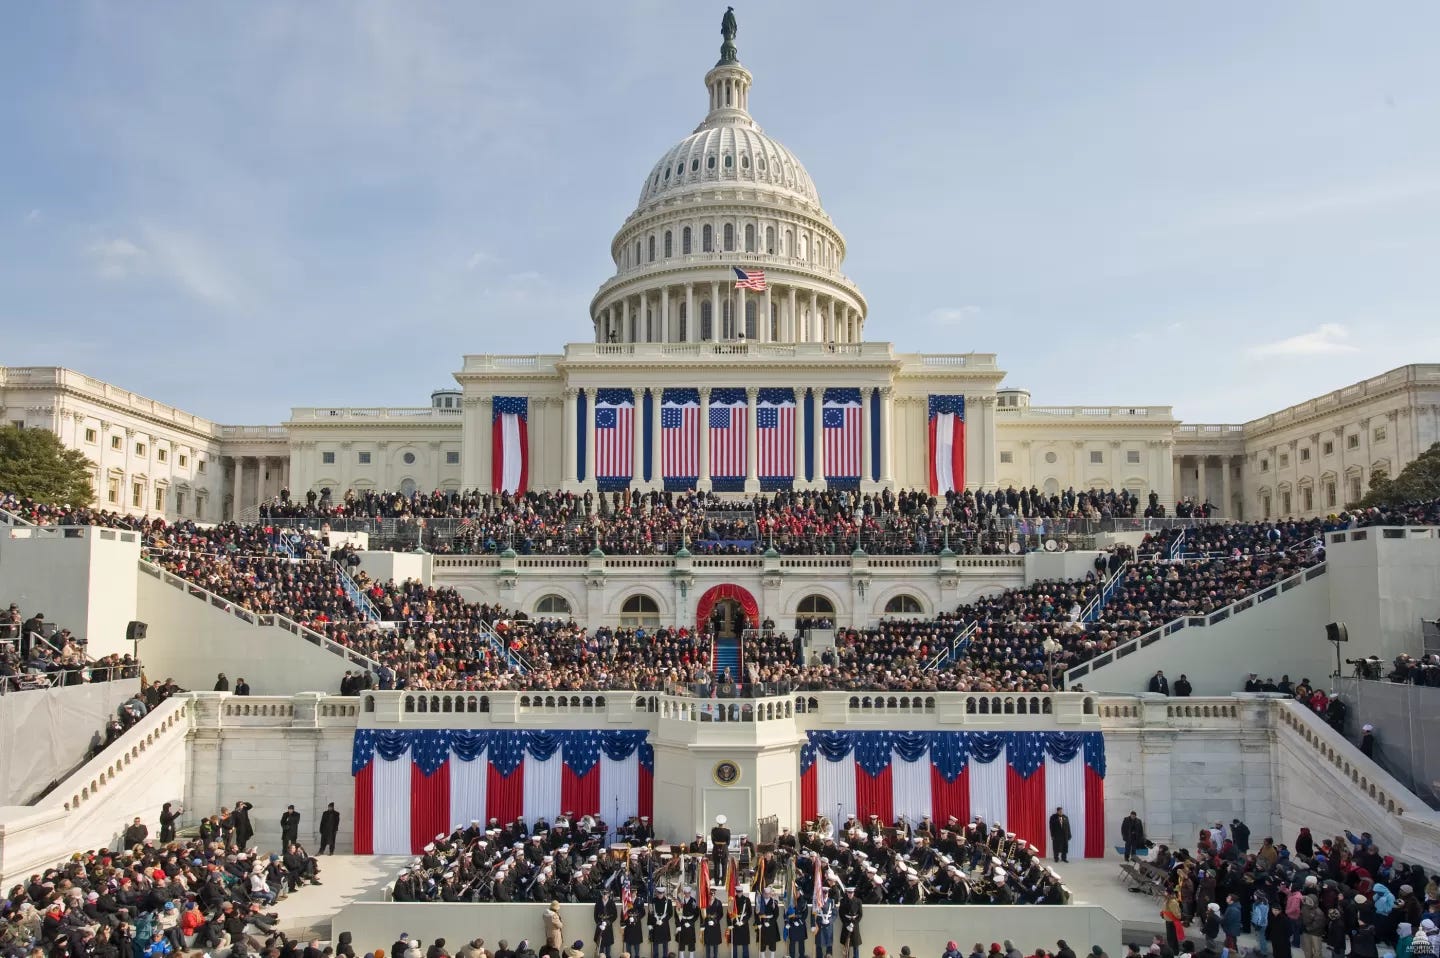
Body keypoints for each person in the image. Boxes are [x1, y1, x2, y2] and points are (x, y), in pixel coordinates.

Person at [838, 889, 862, 958]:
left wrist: (853, 923)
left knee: (855, 945)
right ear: (847, 893)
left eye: (851, 892)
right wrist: (847, 924)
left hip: (855, 924)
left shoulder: (858, 901)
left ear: (854, 893)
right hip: (846, 924)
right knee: (846, 944)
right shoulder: (843, 901)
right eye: (849, 892)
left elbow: (860, 914)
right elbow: (841, 914)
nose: (850, 894)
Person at [595, 890, 618, 958]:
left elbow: (615, 915)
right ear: (602, 895)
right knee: (600, 945)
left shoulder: (611, 903)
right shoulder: (598, 903)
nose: (605, 896)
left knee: (608, 946)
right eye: (604, 894)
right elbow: (595, 915)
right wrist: (599, 924)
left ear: (608, 895)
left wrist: (608, 922)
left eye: (606, 894)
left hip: (608, 927)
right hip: (600, 927)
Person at [703, 890, 725, 958]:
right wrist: (704, 923)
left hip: (715, 926)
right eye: (710, 894)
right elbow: (702, 913)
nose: (711, 895)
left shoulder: (718, 902)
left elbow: (721, 914)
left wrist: (714, 921)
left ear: (715, 894)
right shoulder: (705, 902)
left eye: (713, 894)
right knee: (707, 945)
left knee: (715, 945)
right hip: (707, 926)